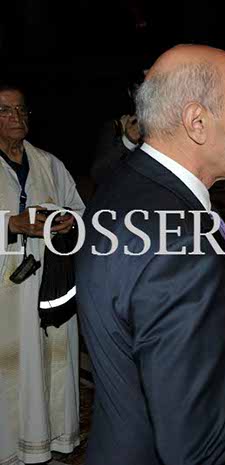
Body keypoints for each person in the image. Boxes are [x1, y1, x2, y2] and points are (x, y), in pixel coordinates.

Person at [75, 45, 225, 465]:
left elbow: (147, 311)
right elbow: (200, 447)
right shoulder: (180, 244)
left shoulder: (125, 182)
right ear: (197, 122)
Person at [0, 83, 84, 464]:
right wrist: (11, 224)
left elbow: (78, 210)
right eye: (5, 111)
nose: (16, 117)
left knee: (48, 364)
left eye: (21, 109)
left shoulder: (49, 164)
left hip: (48, 283)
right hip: (7, 293)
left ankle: (47, 443)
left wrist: (68, 222)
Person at [89, 73, 145, 185]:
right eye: (138, 90)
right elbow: (98, 174)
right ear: (130, 93)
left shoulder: (168, 127)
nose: (144, 97)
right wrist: (127, 142)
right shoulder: (117, 127)